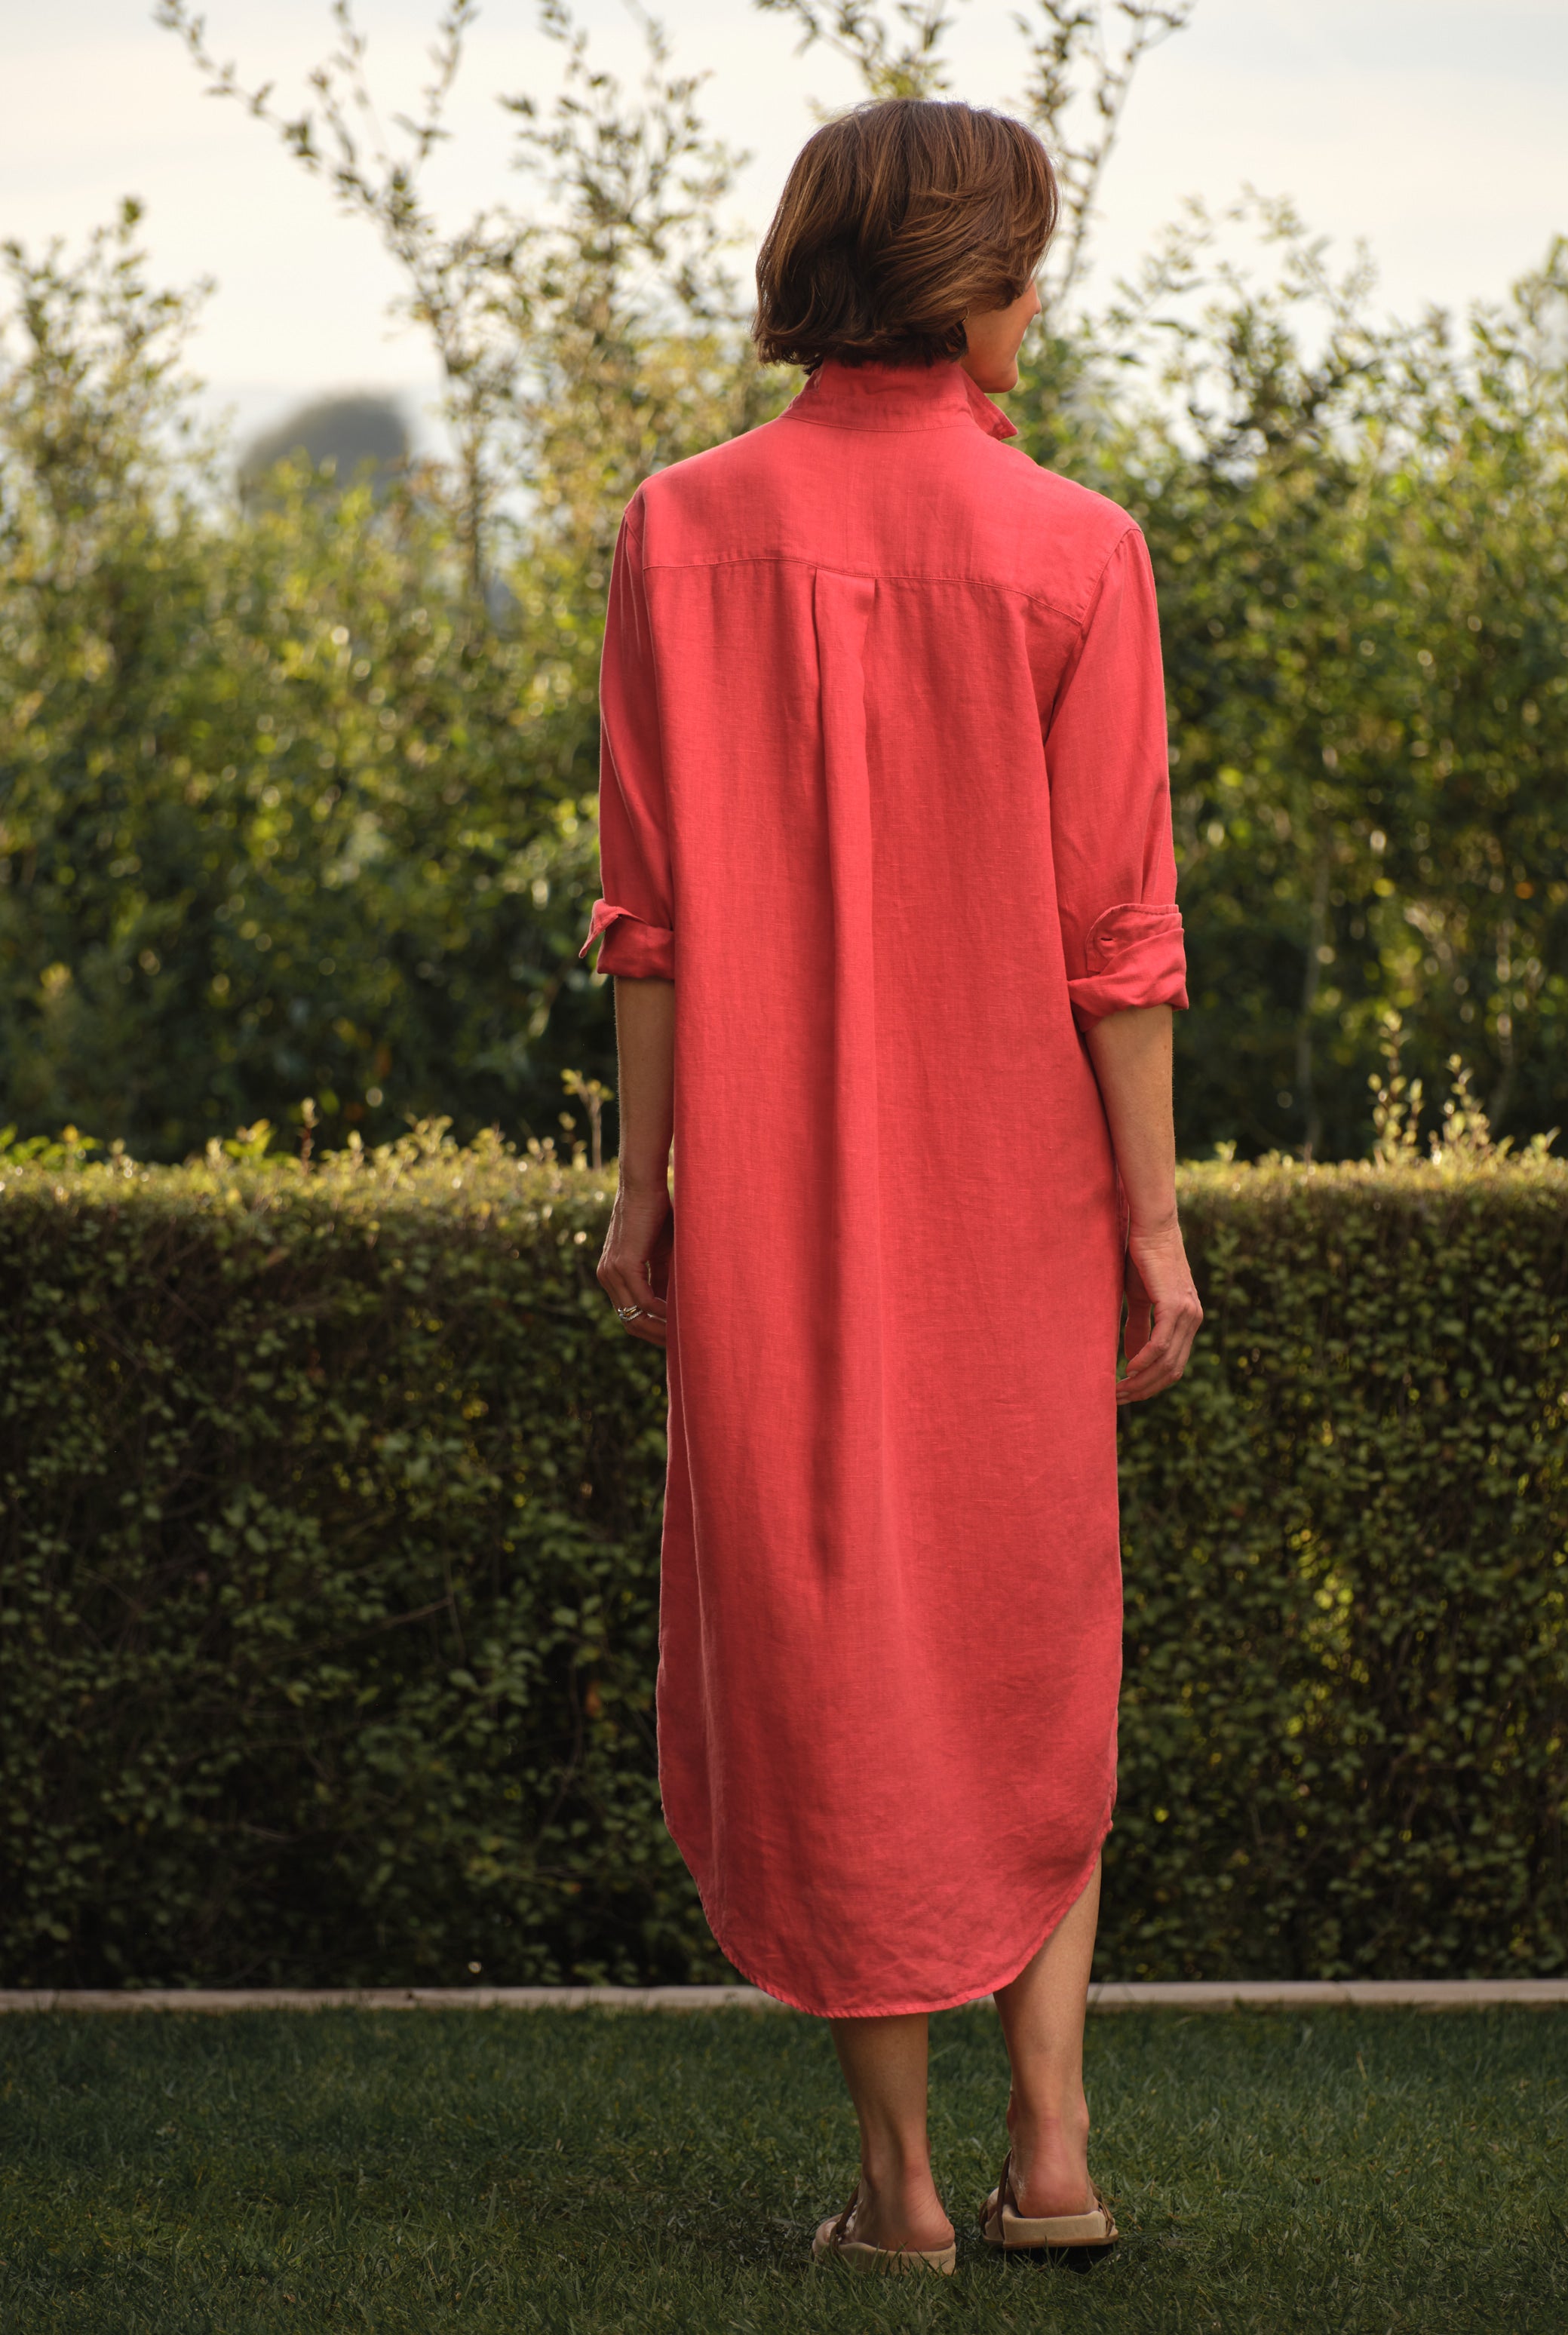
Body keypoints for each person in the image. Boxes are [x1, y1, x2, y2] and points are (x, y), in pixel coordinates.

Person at [588, 95, 1201, 2275]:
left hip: (766, 1199)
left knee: (830, 1644)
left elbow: (644, 916)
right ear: (956, 282)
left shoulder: (676, 530)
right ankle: (1050, 2151)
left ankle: (903, 2191)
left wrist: (643, 1186)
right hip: (1013, 1202)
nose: (1044, 298)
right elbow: (1118, 943)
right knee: (1033, 1643)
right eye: (1027, 260)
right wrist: (1147, 1222)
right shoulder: (1075, 548)